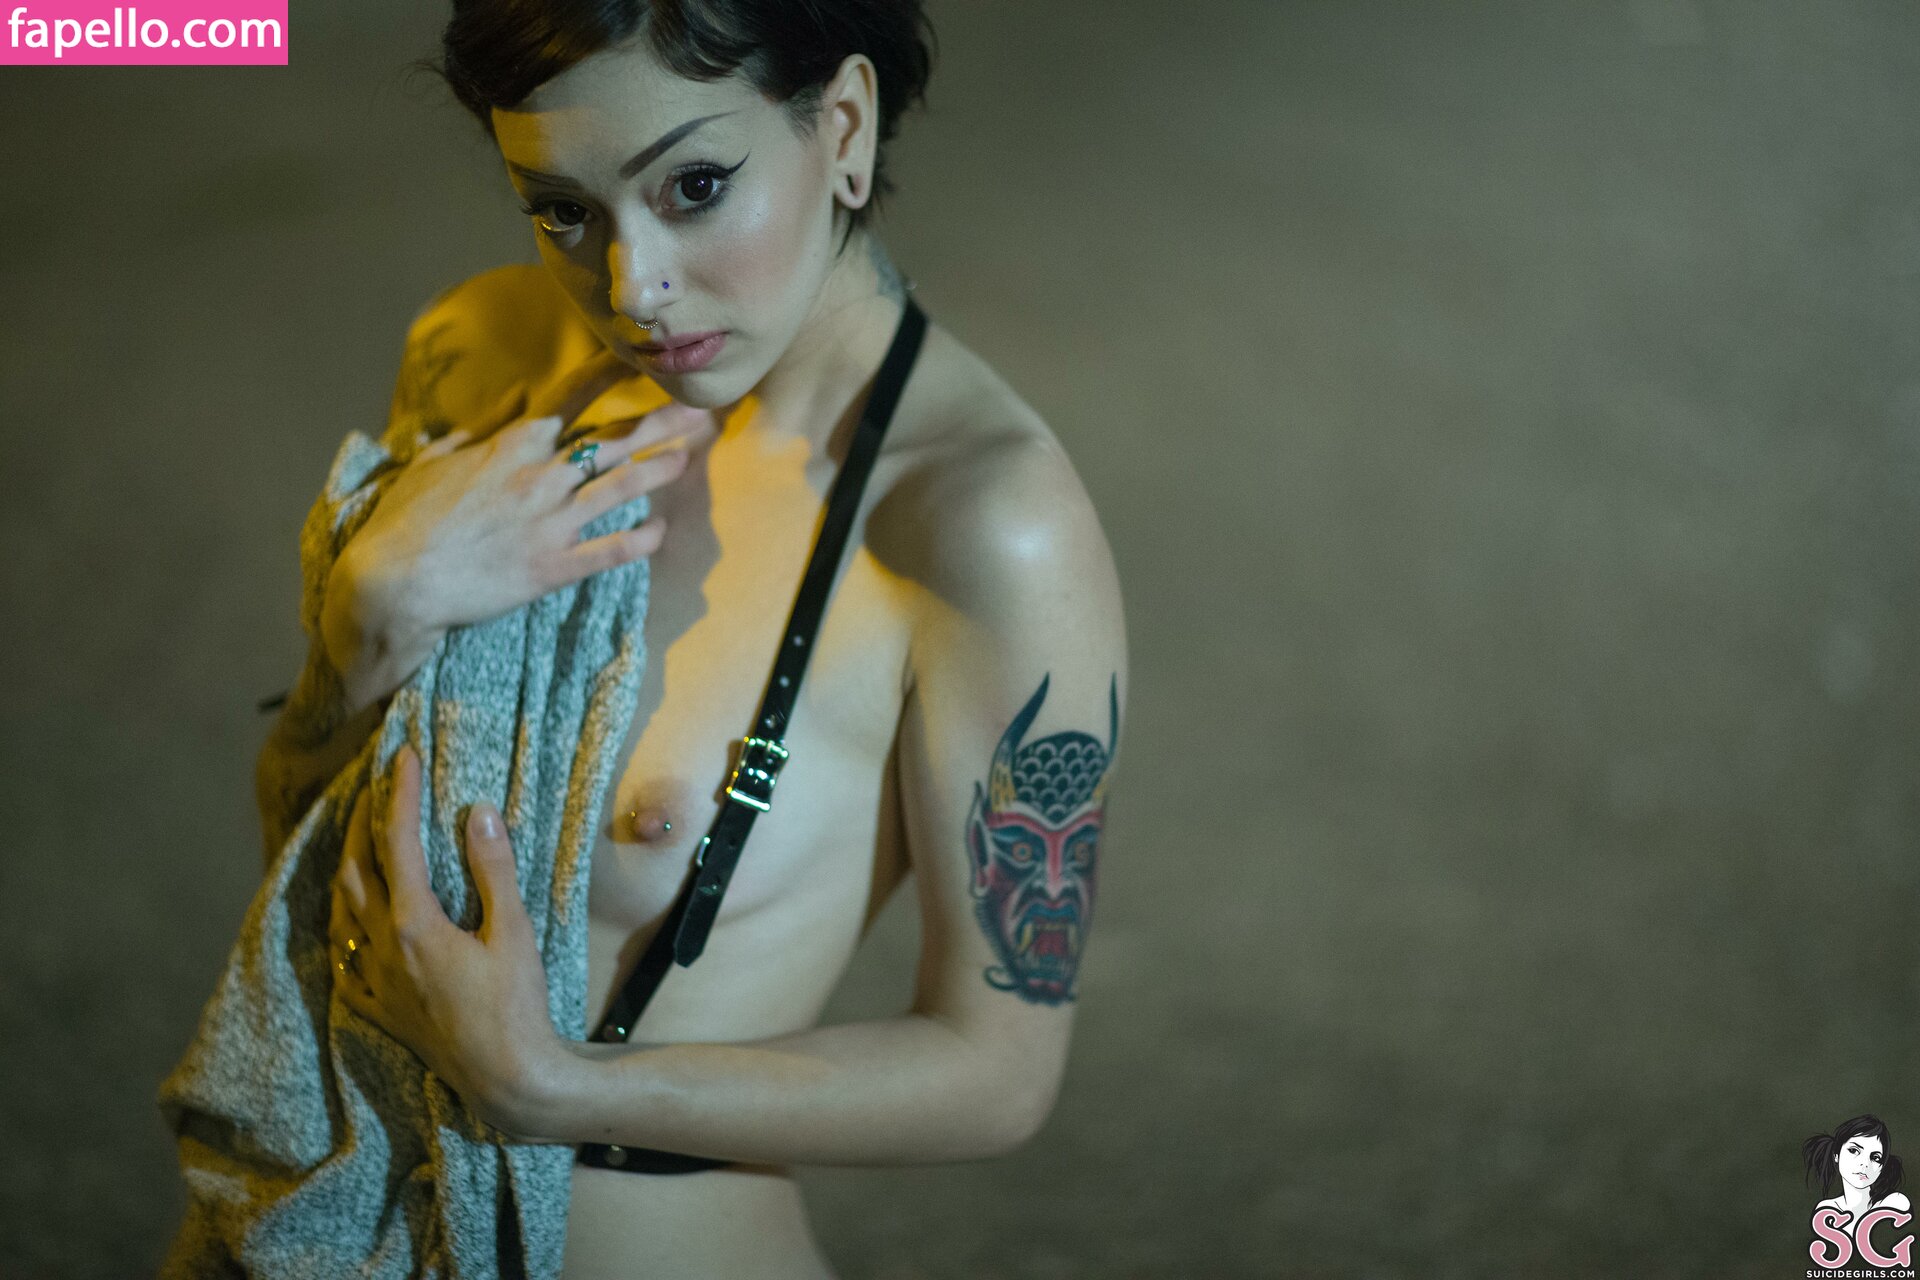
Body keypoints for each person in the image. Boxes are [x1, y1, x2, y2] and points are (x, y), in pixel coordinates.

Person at [253, 1, 1127, 1274]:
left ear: (843, 127)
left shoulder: (980, 521)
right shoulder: (480, 358)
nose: (633, 287)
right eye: (563, 210)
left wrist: (553, 1085)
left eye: (696, 186)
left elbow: (998, 1069)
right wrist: (362, 627)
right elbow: (300, 858)